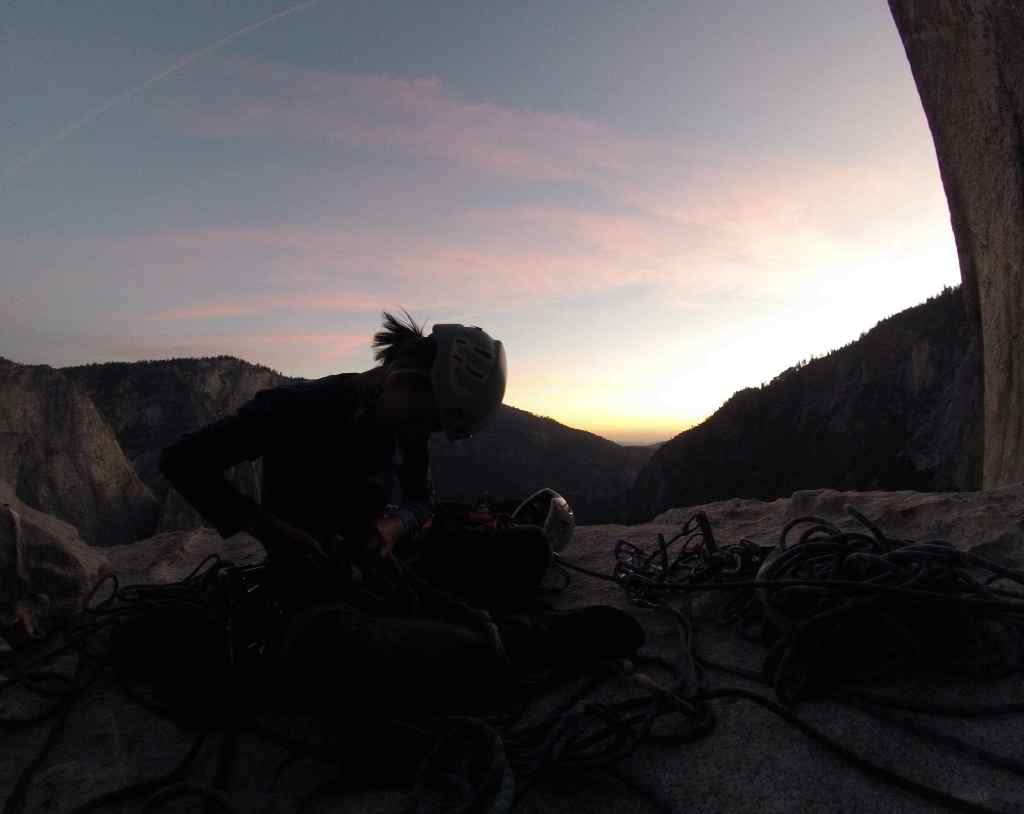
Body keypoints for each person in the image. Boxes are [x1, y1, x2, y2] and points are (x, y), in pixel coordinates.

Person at [159, 311, 644, 716]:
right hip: (319, 592)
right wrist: (271, 530)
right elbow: (183, 461)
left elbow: (421, 500)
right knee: (352, 646)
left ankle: (454, 637)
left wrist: (393, 526)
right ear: (406, 377)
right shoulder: (294, 409)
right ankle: (522, 642)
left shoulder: (408, 424)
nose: (423, 431)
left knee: (530, 548)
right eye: (426, 418)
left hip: (399, 564)